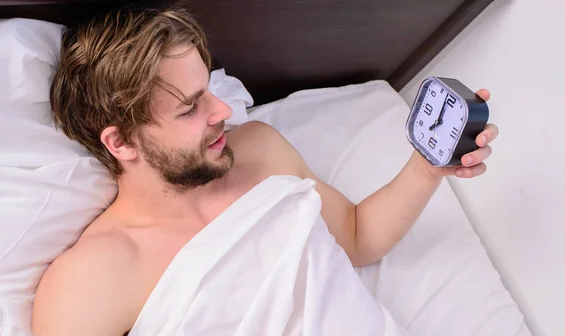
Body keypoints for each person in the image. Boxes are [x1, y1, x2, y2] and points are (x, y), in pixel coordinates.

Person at [32, 6, 499, 335]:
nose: (222, 111)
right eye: (191, 108)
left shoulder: (258, 151)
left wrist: (429, 167)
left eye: (208, 88)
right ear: (122, 142)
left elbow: (358, 238)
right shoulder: (89, 278)